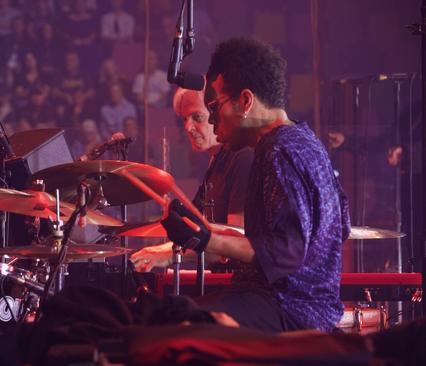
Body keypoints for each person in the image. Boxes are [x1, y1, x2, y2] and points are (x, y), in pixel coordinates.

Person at [137, 37, 351, 333]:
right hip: (298, 302)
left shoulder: (279, 151)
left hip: (288, 306)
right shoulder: (305, 141)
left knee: (168, 324)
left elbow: (286, 253)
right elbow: (342, 227)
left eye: (214, 107)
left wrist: (205, 239)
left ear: (246, 101)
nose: (211, 121)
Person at [130, 87, 253, 271]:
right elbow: (198, 231)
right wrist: (166, 249)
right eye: (184, 119)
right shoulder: (216, 162)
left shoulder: (243, 157)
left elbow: (235, 240)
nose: (187, 127)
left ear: (217, 114)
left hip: (237, 285)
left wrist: (171, 254)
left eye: (197, 117)